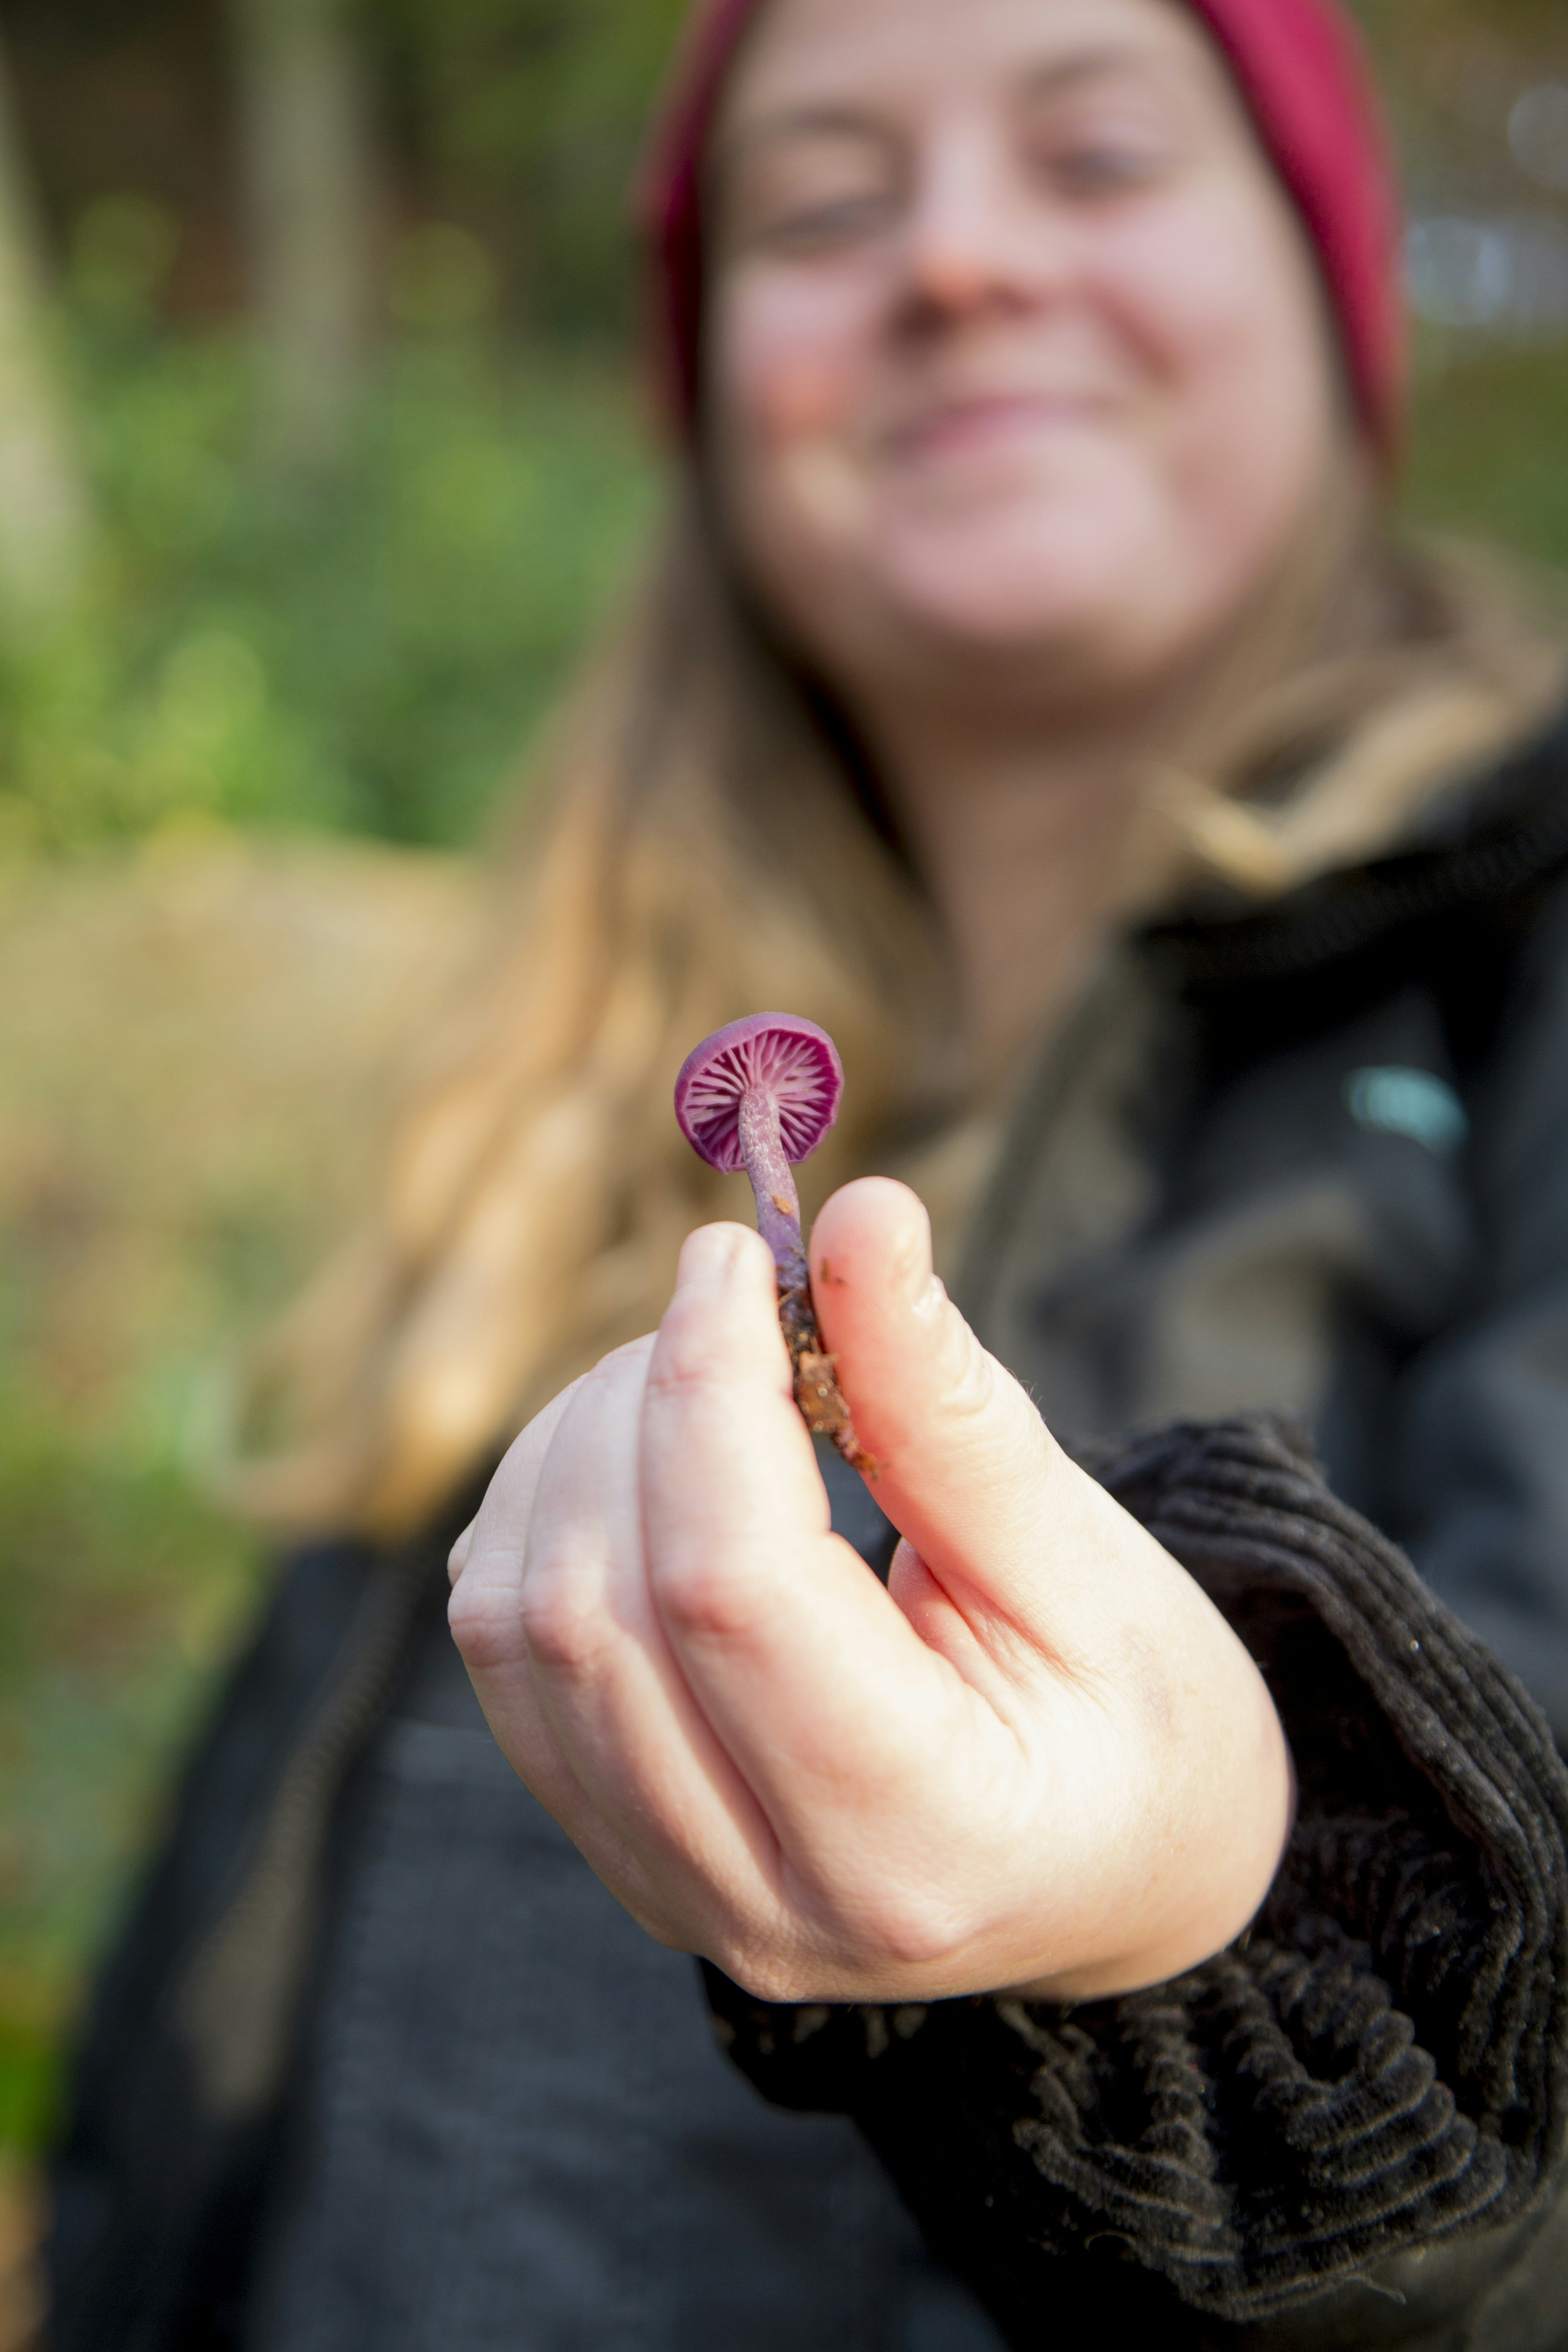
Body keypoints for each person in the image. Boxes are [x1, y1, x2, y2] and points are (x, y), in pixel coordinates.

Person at [48, 0, 1568, 2344]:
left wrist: (1205, 1914)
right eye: (828, 206)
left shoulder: (1526, 998)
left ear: (1327, 288)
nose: (956, 262)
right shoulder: (524, 1124)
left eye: (1094, 155)